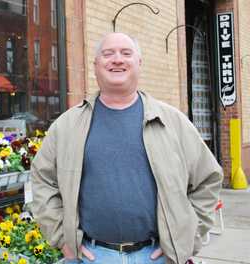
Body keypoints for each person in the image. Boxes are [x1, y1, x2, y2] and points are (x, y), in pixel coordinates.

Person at [30, 32, 223, 264]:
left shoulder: (173, 122)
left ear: (139, 63)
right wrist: (62, 238)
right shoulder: (67, 125)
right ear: (95, 65)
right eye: (108, 54)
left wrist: (187, 239)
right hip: (91, 256)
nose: (117, 59)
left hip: (158, 257)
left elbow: (208, 179)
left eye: (126, 53)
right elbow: (42, 180)